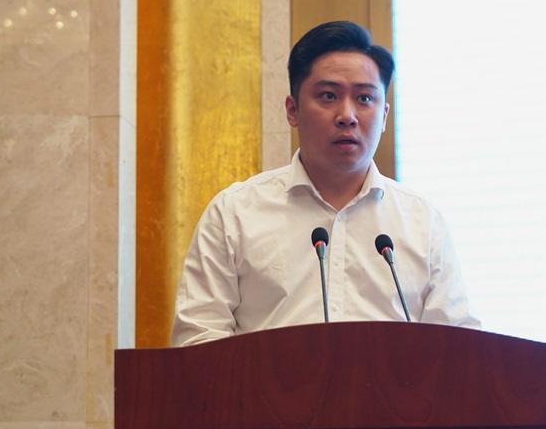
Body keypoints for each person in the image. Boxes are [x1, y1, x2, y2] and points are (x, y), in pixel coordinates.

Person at [171, 20, 480, 347]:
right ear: (293, 110)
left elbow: (461, 350)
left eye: (364, 98)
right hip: (267, 383)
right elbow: (198, 340)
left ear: (384, 116)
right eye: (329, 96)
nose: (347, 115)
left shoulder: (423, 223)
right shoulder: (234, 213)